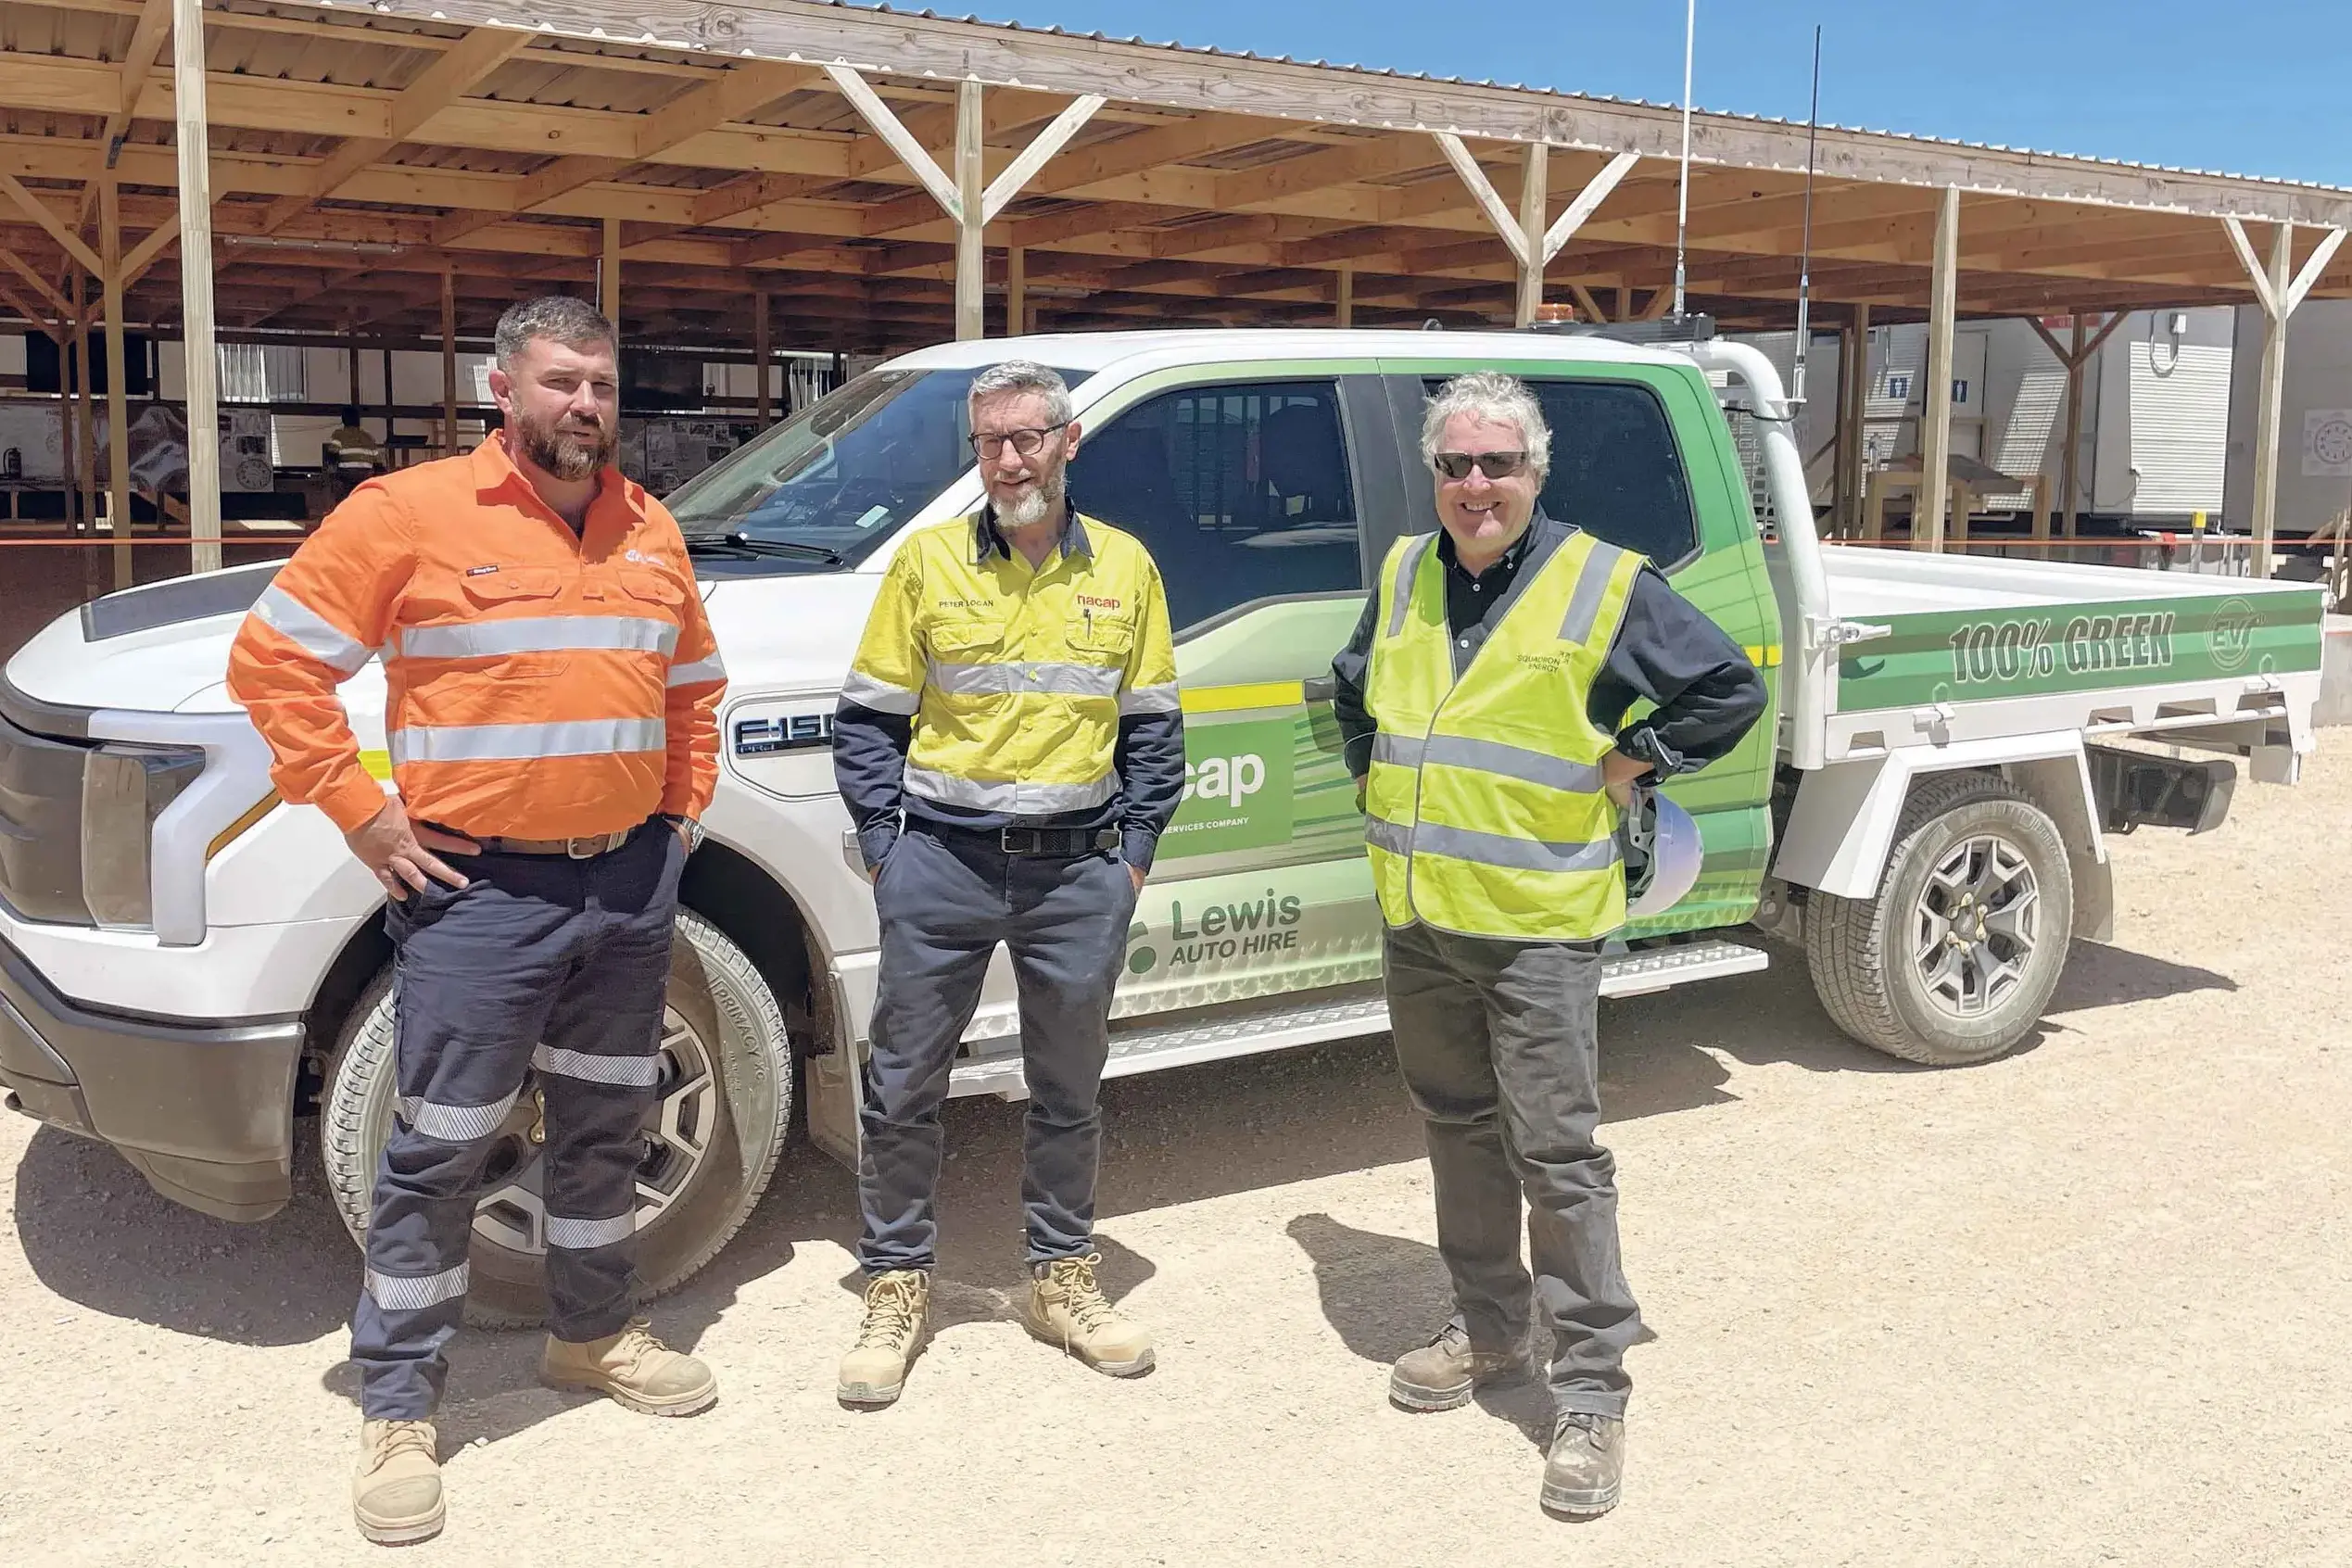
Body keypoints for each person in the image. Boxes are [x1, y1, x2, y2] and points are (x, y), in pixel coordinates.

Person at [226, 296, 728, 1546]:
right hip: (478, 896)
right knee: (440, 1148)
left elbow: (694, 691)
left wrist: (675, 823)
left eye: (604, 387)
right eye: (562, 383)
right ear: (499, 388)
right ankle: (399, 1404)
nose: (586, 408)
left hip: (623, 887)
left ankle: (591, 1335)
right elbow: (273, 663)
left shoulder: (649, 525)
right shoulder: (406, 516)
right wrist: (363, 814)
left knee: (607, 1124)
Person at [1330, 371, 1766, 1520]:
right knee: (1457, 1131)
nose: (1477, 486)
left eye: (1499, 465)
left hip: (1536, 932)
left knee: (1558, 1158)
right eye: (1456, 466)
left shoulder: (1603, 582)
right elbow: (1355, 694)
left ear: (1536, 472)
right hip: (1422, 919)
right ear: (1434, 476)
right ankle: (1486, 1333)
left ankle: (1590, 1394)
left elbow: (1728, 688)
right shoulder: (1405, 573)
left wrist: (1633, 761)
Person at [830, 360, 1185, 1407]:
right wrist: (891, 850)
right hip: (940, 862)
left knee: (1067, 1087)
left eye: (1026, 438)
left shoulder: (1125, 568)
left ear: (1068, 444)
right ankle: (896, 1281)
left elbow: (1155, 729)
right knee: (903, 1088)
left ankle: (1061, 1274)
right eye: (989, 442)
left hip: (1078, 871)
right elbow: (868, 721)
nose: (1007, 459)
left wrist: (1131, 861)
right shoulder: (925, 564)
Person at [322, 406, 388, 503]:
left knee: (343, 498)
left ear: (343, 420)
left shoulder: (339, 434)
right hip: (365, 474)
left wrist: (330, 471)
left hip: (346, 475)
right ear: (358, 420)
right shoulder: (368, 437)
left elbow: (332, 454)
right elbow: (377, 462)